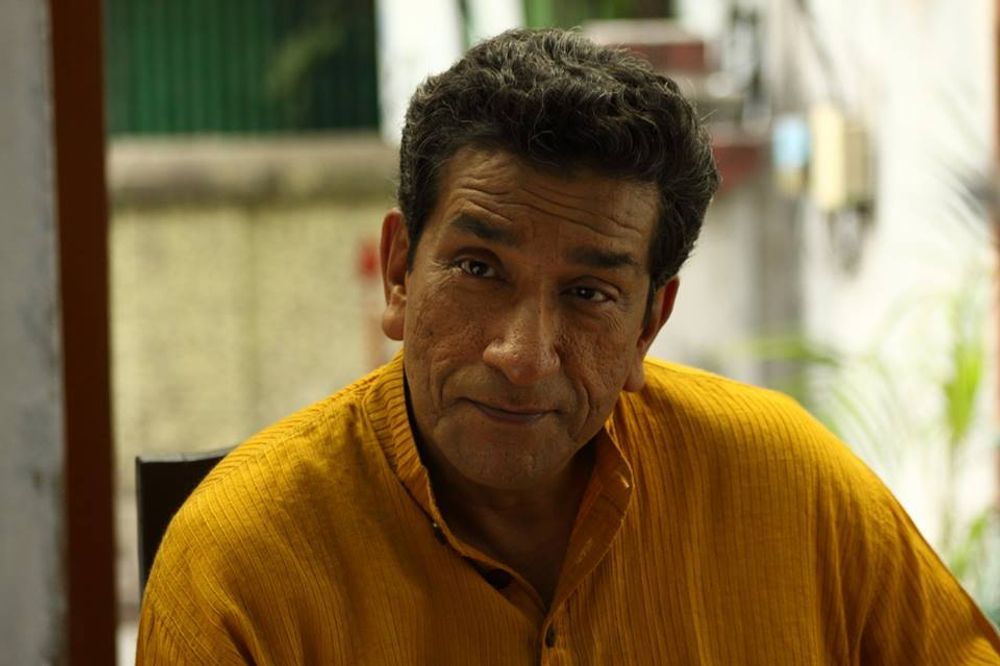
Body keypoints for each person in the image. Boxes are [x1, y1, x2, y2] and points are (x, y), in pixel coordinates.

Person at [137, 28, 1000, 664]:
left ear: (648, 326)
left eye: (589, 294)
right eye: (479, 269)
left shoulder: (788, 489)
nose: (523, 354)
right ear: (399, 273)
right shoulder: (242, 567)